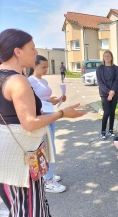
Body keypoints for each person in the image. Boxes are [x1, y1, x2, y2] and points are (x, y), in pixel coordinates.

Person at [0, 29, 86, 216]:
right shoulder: (18, 80)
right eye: (32, 48)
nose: (36, 52)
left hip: (6, 157)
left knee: (17, 205)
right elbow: (29, 123)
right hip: (22, 158)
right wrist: (63, 113)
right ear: (17, 51)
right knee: (30, 208)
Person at [28, 55, 67, 193]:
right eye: (43, 67)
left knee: (50, 146)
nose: (46, 69)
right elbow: (30, 102)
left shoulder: (43, 81)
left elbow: (46, 99)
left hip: (51, 115)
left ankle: (48, 174)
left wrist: (57, 99)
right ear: (35, 66)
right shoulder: (30, 81)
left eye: (47, 67)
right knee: (48, 148)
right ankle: (48, 181)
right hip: (42, 117)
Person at [96, 50, 118, 140]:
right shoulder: (99, 68)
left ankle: (111, 130)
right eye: (105, 56)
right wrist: (108, 92)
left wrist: (112, 91)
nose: (107, 57)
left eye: (108, 56)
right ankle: (103, 131)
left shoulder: (116, 68)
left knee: (112, 111)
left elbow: (116, 81)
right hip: (104, 93)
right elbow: (100, 82)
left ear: (111, 57)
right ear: (103, 57)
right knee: (107, 112)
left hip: (114, 93)